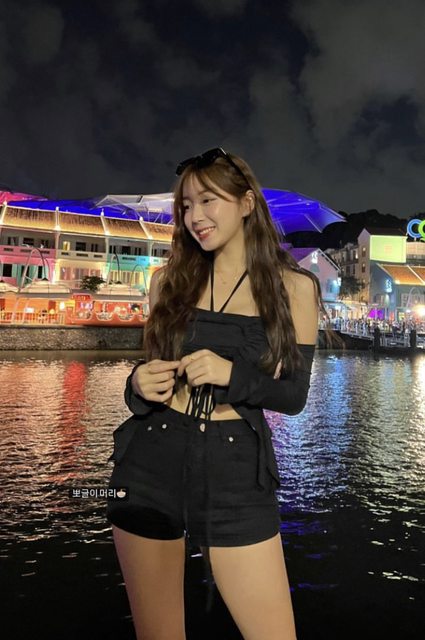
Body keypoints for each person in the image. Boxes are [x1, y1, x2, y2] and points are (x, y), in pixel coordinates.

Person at [106, 147, 322, 640]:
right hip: (150, 463)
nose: (195, 217)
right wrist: (137, 383)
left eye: (208, 200)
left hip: (235, 472)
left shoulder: (294, 289)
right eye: (186, 205)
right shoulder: (167, 282)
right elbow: (148, 378)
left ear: (246, 203)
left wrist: (232, 375)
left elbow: (293, 397)